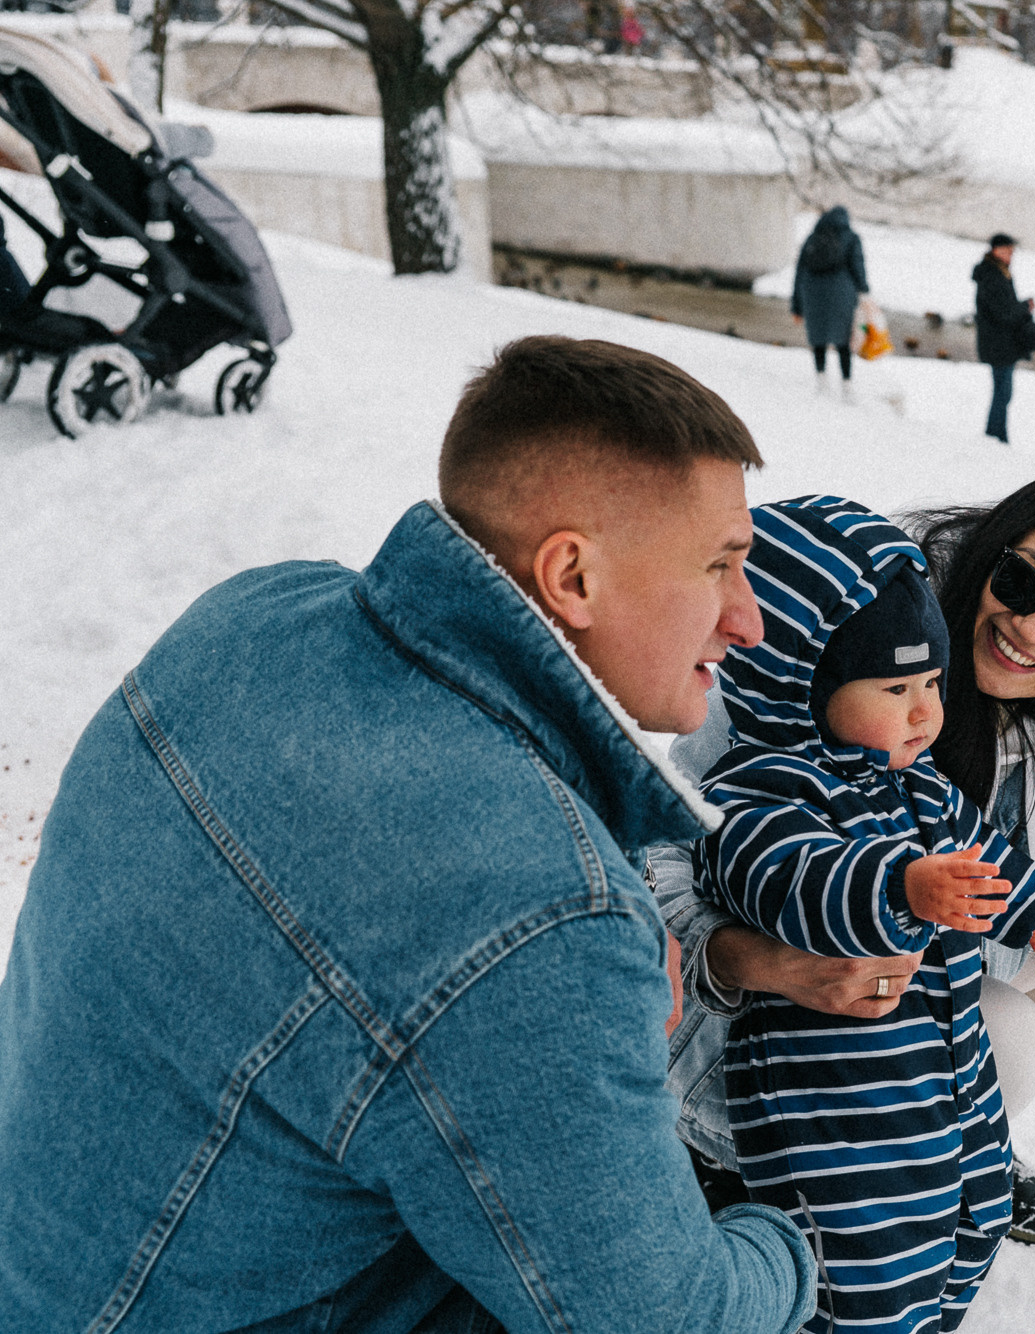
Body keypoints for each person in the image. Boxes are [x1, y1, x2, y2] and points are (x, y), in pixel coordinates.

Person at [0, 336, 817, 1332]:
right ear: (573, 577)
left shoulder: (256, 612)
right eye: (719, 565)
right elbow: (664, 1317)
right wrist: (791, 1246)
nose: (749, 618)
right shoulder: (539, 907)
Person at [657, 463, 1035, 1251]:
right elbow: (656, 851)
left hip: (889, 997)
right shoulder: (834, 633)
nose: (1033, 632)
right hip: (741, 1021)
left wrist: (987, 909)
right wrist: (765, 962)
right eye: (1021, 584)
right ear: (990, 554)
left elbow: (1008, 919)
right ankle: (730, 1160)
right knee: (1008, 1033)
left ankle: (952, 1147)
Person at [694, 496, 1035, 1333]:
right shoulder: (762, 787)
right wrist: (900, 889)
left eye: (931, 683)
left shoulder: (915, 784)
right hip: (833, 1102)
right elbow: (787, 878)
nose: (924, 710)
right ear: (802, 685)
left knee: (964, 1223)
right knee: (860, 1267)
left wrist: (1025, 895)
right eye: (895, 686)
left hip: (946, 1069)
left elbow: (976, 844)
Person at [791, 206, 868, 401]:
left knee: (818, 337)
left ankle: (821, 379)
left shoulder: (812, 237)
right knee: (843, 340)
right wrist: (864, 290)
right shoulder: (851, 237)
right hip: (841, 293)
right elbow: (857, 265)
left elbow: (799, 272)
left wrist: (797, 306)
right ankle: (847, 384)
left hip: (812, 292)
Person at [971, 233, 1035, 443]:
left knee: (1003, 392)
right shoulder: (993, 276)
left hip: (999, 342)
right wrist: (1024, 307)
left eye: (1012, 251)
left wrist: (1020, 306)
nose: (1010, 255)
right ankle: (995, 436)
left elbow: (1003, 308)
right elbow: (1003, 314)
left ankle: (996, 434)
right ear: (995, 250)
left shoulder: (998, 273)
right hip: (998, 343)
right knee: (1003, 392)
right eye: (1006, 250)